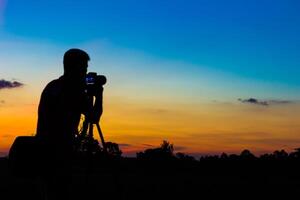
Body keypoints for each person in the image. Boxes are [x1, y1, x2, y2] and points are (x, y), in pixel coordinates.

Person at [35, 48, 103, 199]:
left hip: (44, 150)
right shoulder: (71, 90)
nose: (85, 74)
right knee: (60, 191)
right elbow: (94, 118)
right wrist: (99, 95)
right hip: (59, 153)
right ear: (74, 67)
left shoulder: (53, 86)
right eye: (84, 69)